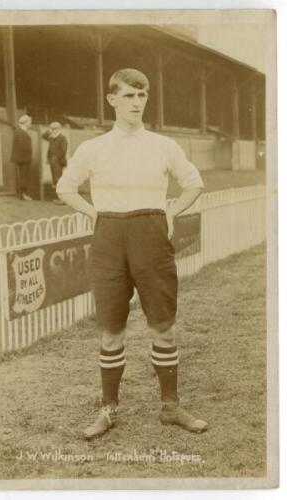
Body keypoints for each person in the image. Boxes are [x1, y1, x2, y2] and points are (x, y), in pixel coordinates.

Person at [57, 68, 208, 439]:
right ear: (111, 100)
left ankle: (170, 406)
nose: (136, 103)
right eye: (128, 96)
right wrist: (95, 213)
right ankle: (108, 410)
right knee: (111, 328)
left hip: (151, 233)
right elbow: (65, 187)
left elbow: (194, 183)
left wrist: (169, 212)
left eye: (142, 96)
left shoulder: (163, 145)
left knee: (163, 324)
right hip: (109, 236)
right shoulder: (93, 147)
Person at [42, 122, 68, 204]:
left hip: (58, 162)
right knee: (55, 180)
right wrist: (49, 130)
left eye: (54, 129)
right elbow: (43, 136)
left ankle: (62, 199)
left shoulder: (62, 138)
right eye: (52, 129)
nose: (53, 131)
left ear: (59, 129)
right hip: (53, 162)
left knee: (58, 180)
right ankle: (59, 198)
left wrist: (55, 158)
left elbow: (63, 151)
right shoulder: (52, 138)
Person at [11, 114, 33, 201]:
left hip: (23, 158)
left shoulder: (19, 131)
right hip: (24, 158)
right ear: (25, 123)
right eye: (29, 122)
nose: (30, 124)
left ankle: (22, 194)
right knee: (24, 176)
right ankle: (24, 194)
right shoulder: (21, 132)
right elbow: (23, 147)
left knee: (23, 176)